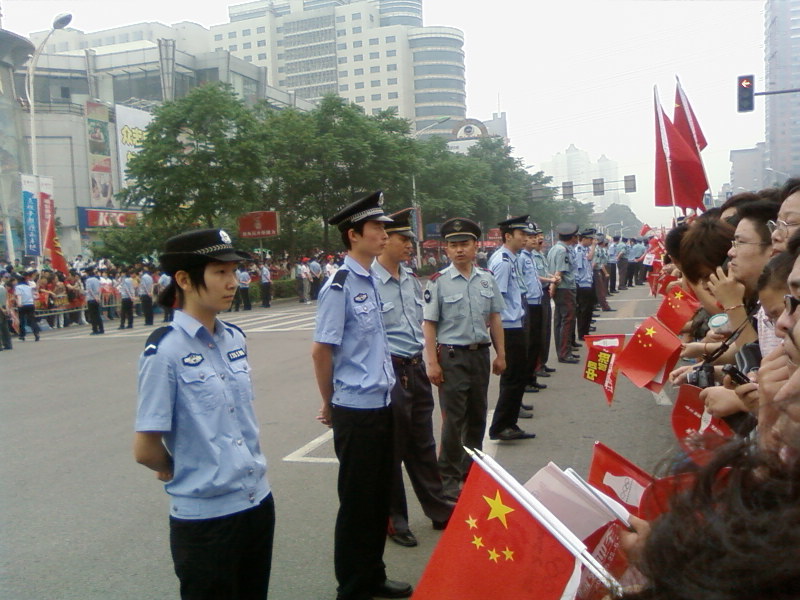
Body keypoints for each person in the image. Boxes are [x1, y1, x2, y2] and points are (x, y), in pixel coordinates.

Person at [134, 228, 274, 600]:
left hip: (257, 502)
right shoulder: (164, 351)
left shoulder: (235, 338)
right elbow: (145, 449)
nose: (233, 282)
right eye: (220, 272)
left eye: (234, 271)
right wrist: (182, 465)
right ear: (184, 279)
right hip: (206, 520)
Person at [311, 191, 412, 600]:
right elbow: (322, 350)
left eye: (385, 228)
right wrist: (329, 402)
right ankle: (352, 587)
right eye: (376, 228)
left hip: (382, 402)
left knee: (377, 498)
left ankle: (372, 575)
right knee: (357, 502)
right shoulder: (338, 286)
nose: (384, 234)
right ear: (353, 235)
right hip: (355, 409)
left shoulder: (369, 279)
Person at [373, 208, 454, 549]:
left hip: (415, 367)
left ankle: (438, 508)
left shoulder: (409, 278)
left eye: (410, 239)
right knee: (391, 448)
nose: (409, 245)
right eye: (403, 239)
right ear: (385, 240)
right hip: (389, 371)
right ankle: (395, 520)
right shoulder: (369, 280)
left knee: (422, 443)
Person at [423, 217, 505, 499]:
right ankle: (448, 477)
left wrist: (501, 354)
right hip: (452, 357)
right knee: (453, 420)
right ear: (446, 249)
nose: (459, 250)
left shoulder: (487, 279)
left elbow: (495, 318)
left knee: (477, 414)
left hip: (479, 355)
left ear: (475, 246)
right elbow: (429, 324)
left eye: (464, 244)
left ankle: (473, 471)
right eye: (453, 245)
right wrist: (432, 363)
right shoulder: (438, 282)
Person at [488, 215, 537, 441]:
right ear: (508, 236)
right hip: (507, 327)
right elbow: (496, 299)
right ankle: (501, 426)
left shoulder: (511, 258)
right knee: (512, 377)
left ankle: (510, 423)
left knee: (517, 376)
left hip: (515, 323)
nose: (525, 238)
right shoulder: (503, 262)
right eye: (522, 234)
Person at [548, 223, 580, 363]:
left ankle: (563, 351)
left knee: (560, 320)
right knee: (567, 320)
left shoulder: (555, 248)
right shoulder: (563, 250)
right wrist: (553, 288)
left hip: (560, 288)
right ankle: (565, 353)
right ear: (572, 237)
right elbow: (560, 271)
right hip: (564, 288)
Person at [520, 222, 545, 397]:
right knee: (528, 344)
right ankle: (526, 379)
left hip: (537, 301)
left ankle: (532, 376)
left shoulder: (530, 256)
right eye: (530, 237)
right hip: (528, 303)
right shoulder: (521, 258)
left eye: (535, 236)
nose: (534, 240)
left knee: (536, 341)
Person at [531, 226, 559, 377]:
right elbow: (534, 276)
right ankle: (537, 365)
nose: (539, 238)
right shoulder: (529, 256)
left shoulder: (540, 255)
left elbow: (543, 272)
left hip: (544, 293)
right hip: (537, 295)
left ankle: (543, 361)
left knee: (546, 329)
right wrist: (551, 280)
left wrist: (552, 277)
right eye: (536, 236)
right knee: (539, 331)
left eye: (541, 235)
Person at [575, 229, 597, 341]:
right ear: (583, 239)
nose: (592, 241)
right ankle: (582, 333)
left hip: (588, 282)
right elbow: (579, 268)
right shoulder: (579, 250)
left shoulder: (585, 250)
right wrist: (593, 246)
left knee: (588, 310)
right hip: (582, 284)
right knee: (583, 310)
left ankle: (586, 332)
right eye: (590, 239)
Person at [15, 271, 40, 342]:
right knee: (32, 319)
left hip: (23, 304)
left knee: (22, 320)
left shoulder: (18, 287)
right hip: (30, 304)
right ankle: (36, 333)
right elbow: (33, 295)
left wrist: (19, 303)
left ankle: (22, 335)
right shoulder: (29, 287)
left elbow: (19, 295)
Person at [0, 279, 12, 351]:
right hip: (4, 307)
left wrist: (2, 309)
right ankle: (8, 344)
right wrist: (7, 308)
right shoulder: (3, 288)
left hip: (1, 308)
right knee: (5, 327)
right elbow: (7, 299)